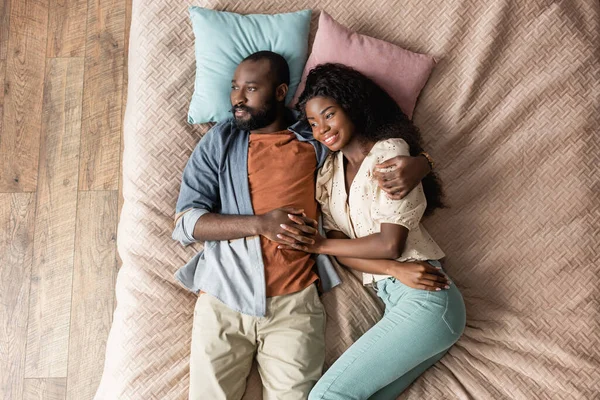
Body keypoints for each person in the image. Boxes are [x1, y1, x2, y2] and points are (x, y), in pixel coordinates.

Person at [172, 52, 433, 400]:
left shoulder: (315, 139)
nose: (237, 98)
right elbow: (186, 223)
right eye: (235, 88)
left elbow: (368, 146)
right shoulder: (220, 142)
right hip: (223, 295)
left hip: (295, 306)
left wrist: (422, 163)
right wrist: (260, 224)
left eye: (251, 89)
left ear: (280, 92)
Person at [277, 63, 467, 400]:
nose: (322, 129)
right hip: (396, 295)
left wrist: (319, 246)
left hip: (427, 298)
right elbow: (346, 247)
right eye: (313, 123)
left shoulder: (389, 152)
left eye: (329, 115)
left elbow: (390, 243)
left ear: (350, 107)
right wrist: (391, 269)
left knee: (326, 397)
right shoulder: (328, 174)